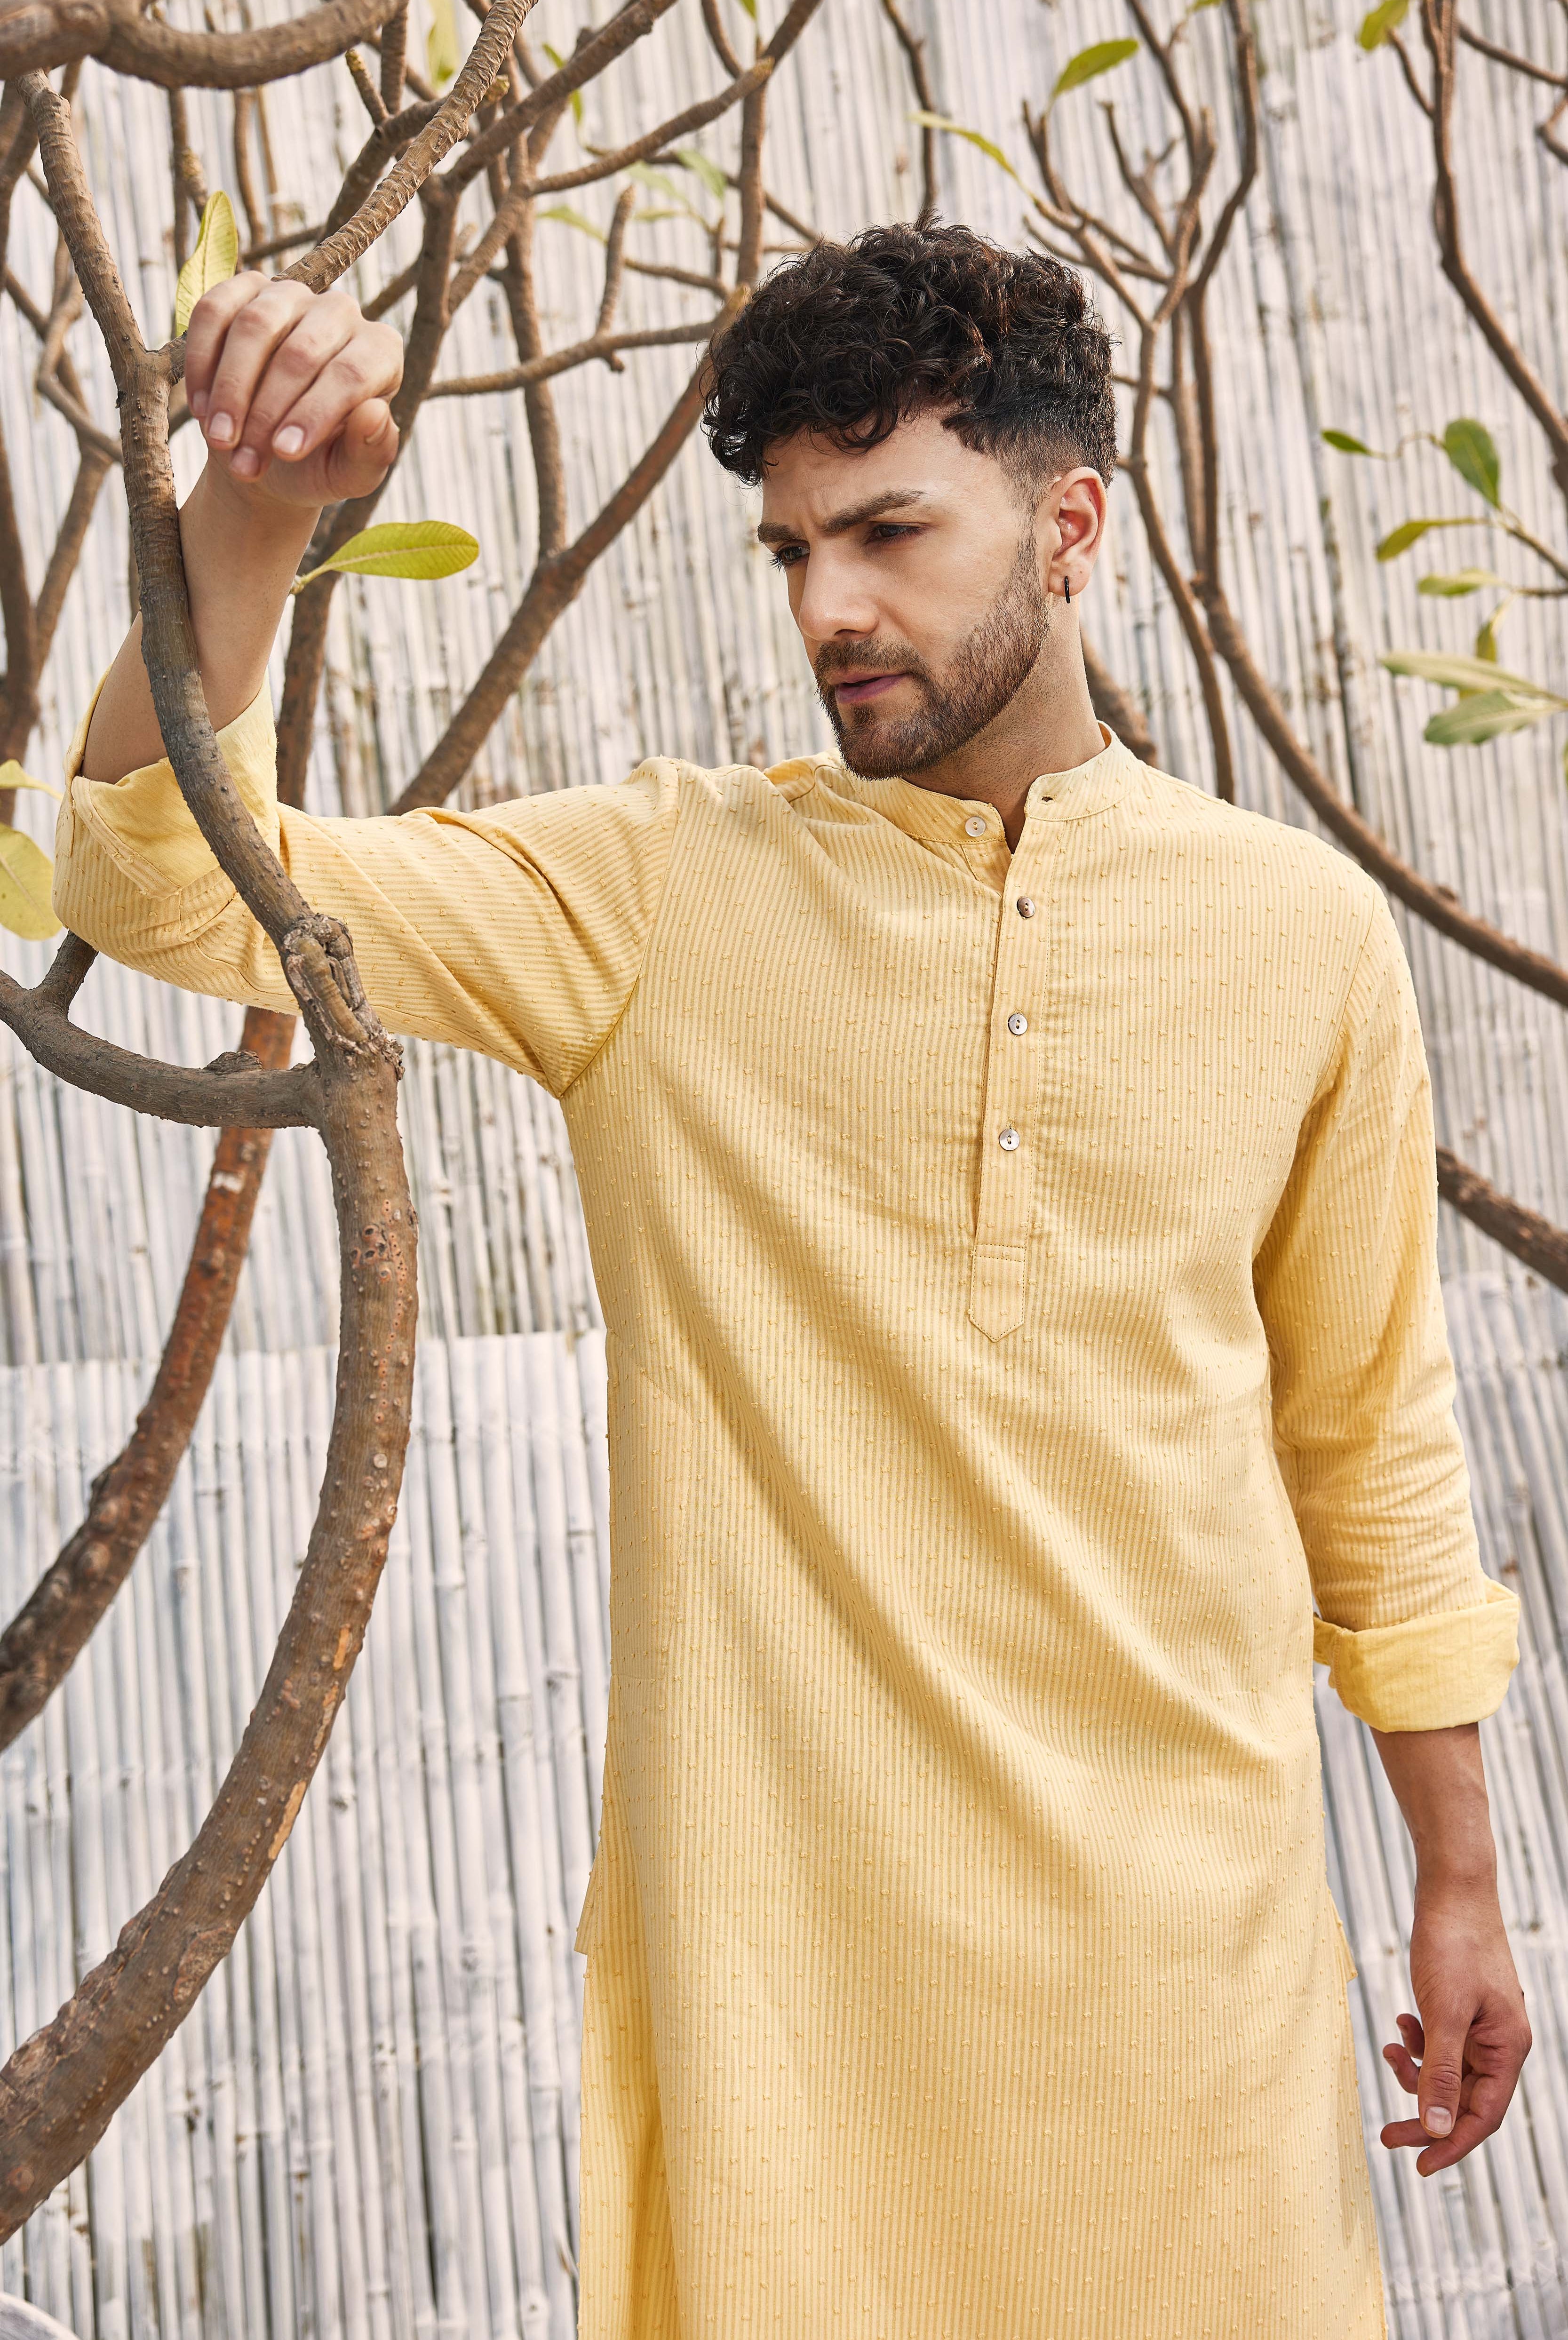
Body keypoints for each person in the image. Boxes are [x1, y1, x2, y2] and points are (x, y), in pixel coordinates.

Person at [54, 219, 1528, 2339]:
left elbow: (1370, 1446)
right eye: (794, 550)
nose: (830, 606)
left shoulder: (1299, 937)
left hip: (1202, 2006)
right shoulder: (657, 892)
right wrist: (258, 508)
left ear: (1070, 526)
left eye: (890, 533)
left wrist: (1463, 1879)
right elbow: (159, 880)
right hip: (798, 2040)